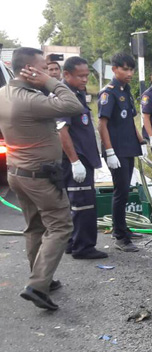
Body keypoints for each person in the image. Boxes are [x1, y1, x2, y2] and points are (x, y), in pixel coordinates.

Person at [0, 47, 84, 310]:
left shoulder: (4, 94)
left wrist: (43, 82)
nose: (47, 72)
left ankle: (43, 277)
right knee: (60, 226)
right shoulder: (30, 99)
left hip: (17, 173)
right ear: (28, 69)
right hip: (40, 176)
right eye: (42, 67)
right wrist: (49, 82)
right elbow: (74, 105)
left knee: (35, 227)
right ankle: (37, 286)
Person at [58, 56, 108, 260]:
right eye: (80, 76)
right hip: (76, 160)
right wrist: (74, 161)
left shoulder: (77, 93)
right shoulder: (64, 96)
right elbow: (62, 131)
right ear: (67, 74)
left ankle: (73, 243)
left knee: (79, 204)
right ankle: (83, 247)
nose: (85, 79)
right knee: (82, 205)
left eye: (87, 75)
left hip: (84, 158)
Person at [97, 52, 145, 253]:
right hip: (115, 150)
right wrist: (110, 152)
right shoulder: (108, 93)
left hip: (128, 148)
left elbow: (130, 120)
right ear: (114, 69)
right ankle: (119, 236)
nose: (130, 73)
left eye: (131, 69)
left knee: (126, 191)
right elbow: (102, 125)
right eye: (125, 69)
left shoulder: (126, 89)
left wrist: (140, 139)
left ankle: (124, 228)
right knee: (121, 191)